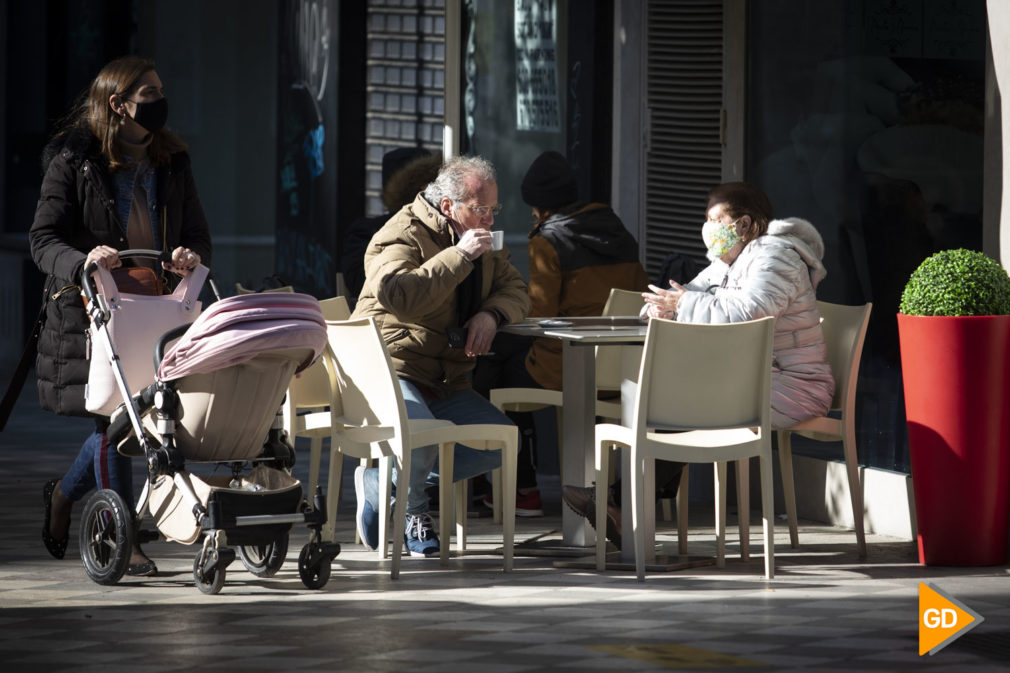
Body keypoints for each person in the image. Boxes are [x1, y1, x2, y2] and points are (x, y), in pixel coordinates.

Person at [562, 181, 834, 546]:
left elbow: (747, 314)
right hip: (753, 379)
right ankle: (622, 505)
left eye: (715, 219)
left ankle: (619, 505)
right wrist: (662, 306)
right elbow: (678, 296)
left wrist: (680, 306)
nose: (708, 228)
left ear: (745, 224)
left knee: (679, 401)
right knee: (673, 397)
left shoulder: (776, 257)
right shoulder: (727, 262)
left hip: (795, 384)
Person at [32, 55, 212, 576]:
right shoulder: (73, 159)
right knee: (116, 421)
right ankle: (123, 536)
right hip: (98, 310)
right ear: (118, 104)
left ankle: (65, 495)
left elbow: (199, 235)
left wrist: (189, 257)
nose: (160, 101)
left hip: (160, 306)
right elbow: (42, 240)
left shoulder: (172, 160)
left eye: (160, 91)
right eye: (149, 94)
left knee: (143, 418)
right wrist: (83, 261)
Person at [351, 155, 531, 557]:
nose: (488, 219)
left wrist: (491, 313)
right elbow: (398, 294)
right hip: (393, 366)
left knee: (501, 443)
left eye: (493, 210)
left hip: (445, 375)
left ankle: (386, 484)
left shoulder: (479, 237)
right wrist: (459, 257)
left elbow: (518, 289)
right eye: (480, 209)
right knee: (423, 435)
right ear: (449, 207)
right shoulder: (401, 233)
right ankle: (414, 513)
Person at [473, 150, 650, 517]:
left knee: (492, 372)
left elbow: (540, 311)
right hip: (623, 370)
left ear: (539, 205)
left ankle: (520, 487)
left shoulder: (548, 240)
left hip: (567, 368)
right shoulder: (618, 232)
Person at [340, 147, 442, 306]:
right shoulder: (366, 231)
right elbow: (361, 284)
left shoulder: (445, 229)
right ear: (419, 190)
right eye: (433, 186)